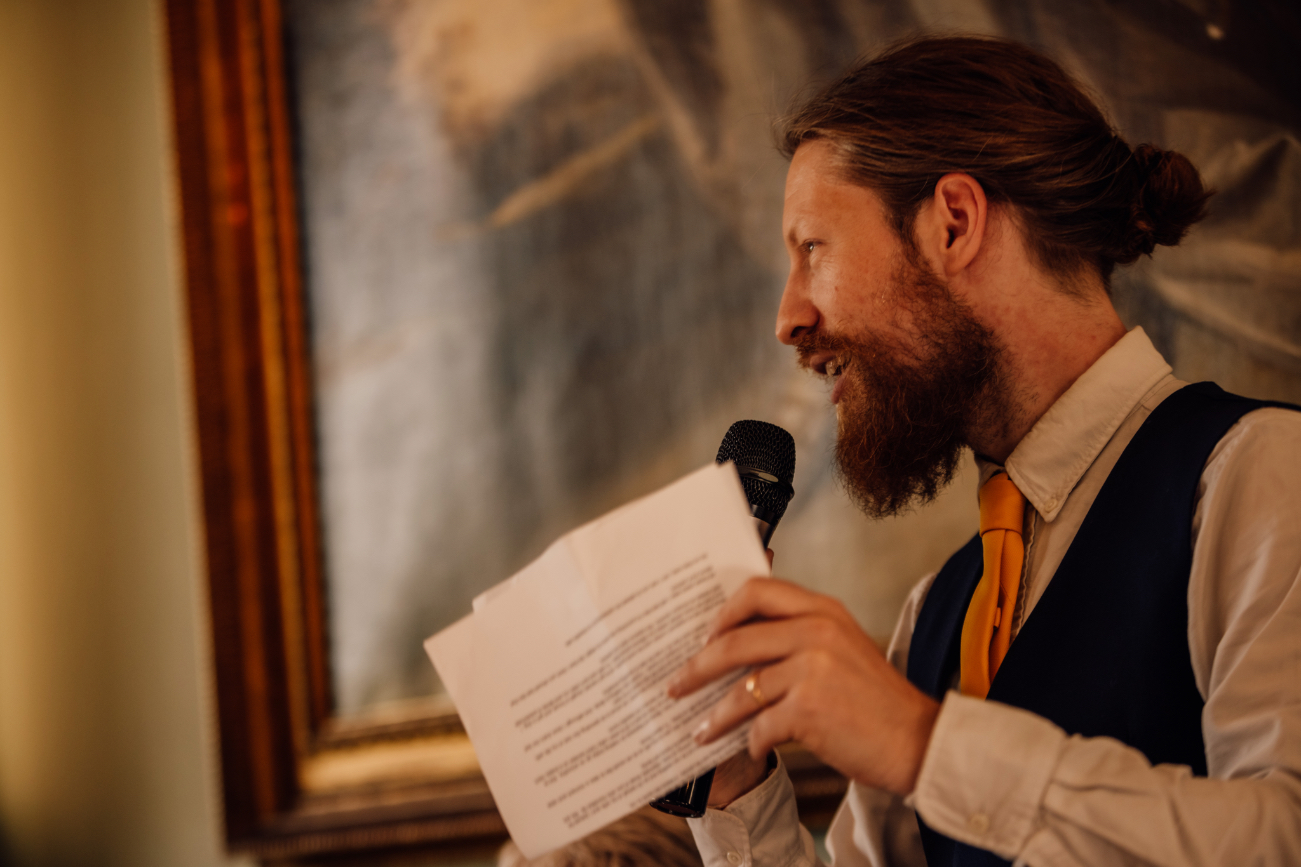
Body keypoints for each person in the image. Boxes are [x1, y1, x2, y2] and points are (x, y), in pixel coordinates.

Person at [664, 35, 1301, 866]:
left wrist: (923, 744)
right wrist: (735, 789)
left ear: (953, 223)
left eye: (812, 247)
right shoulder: (935, 611)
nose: (787, 318)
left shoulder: (1261, 474)